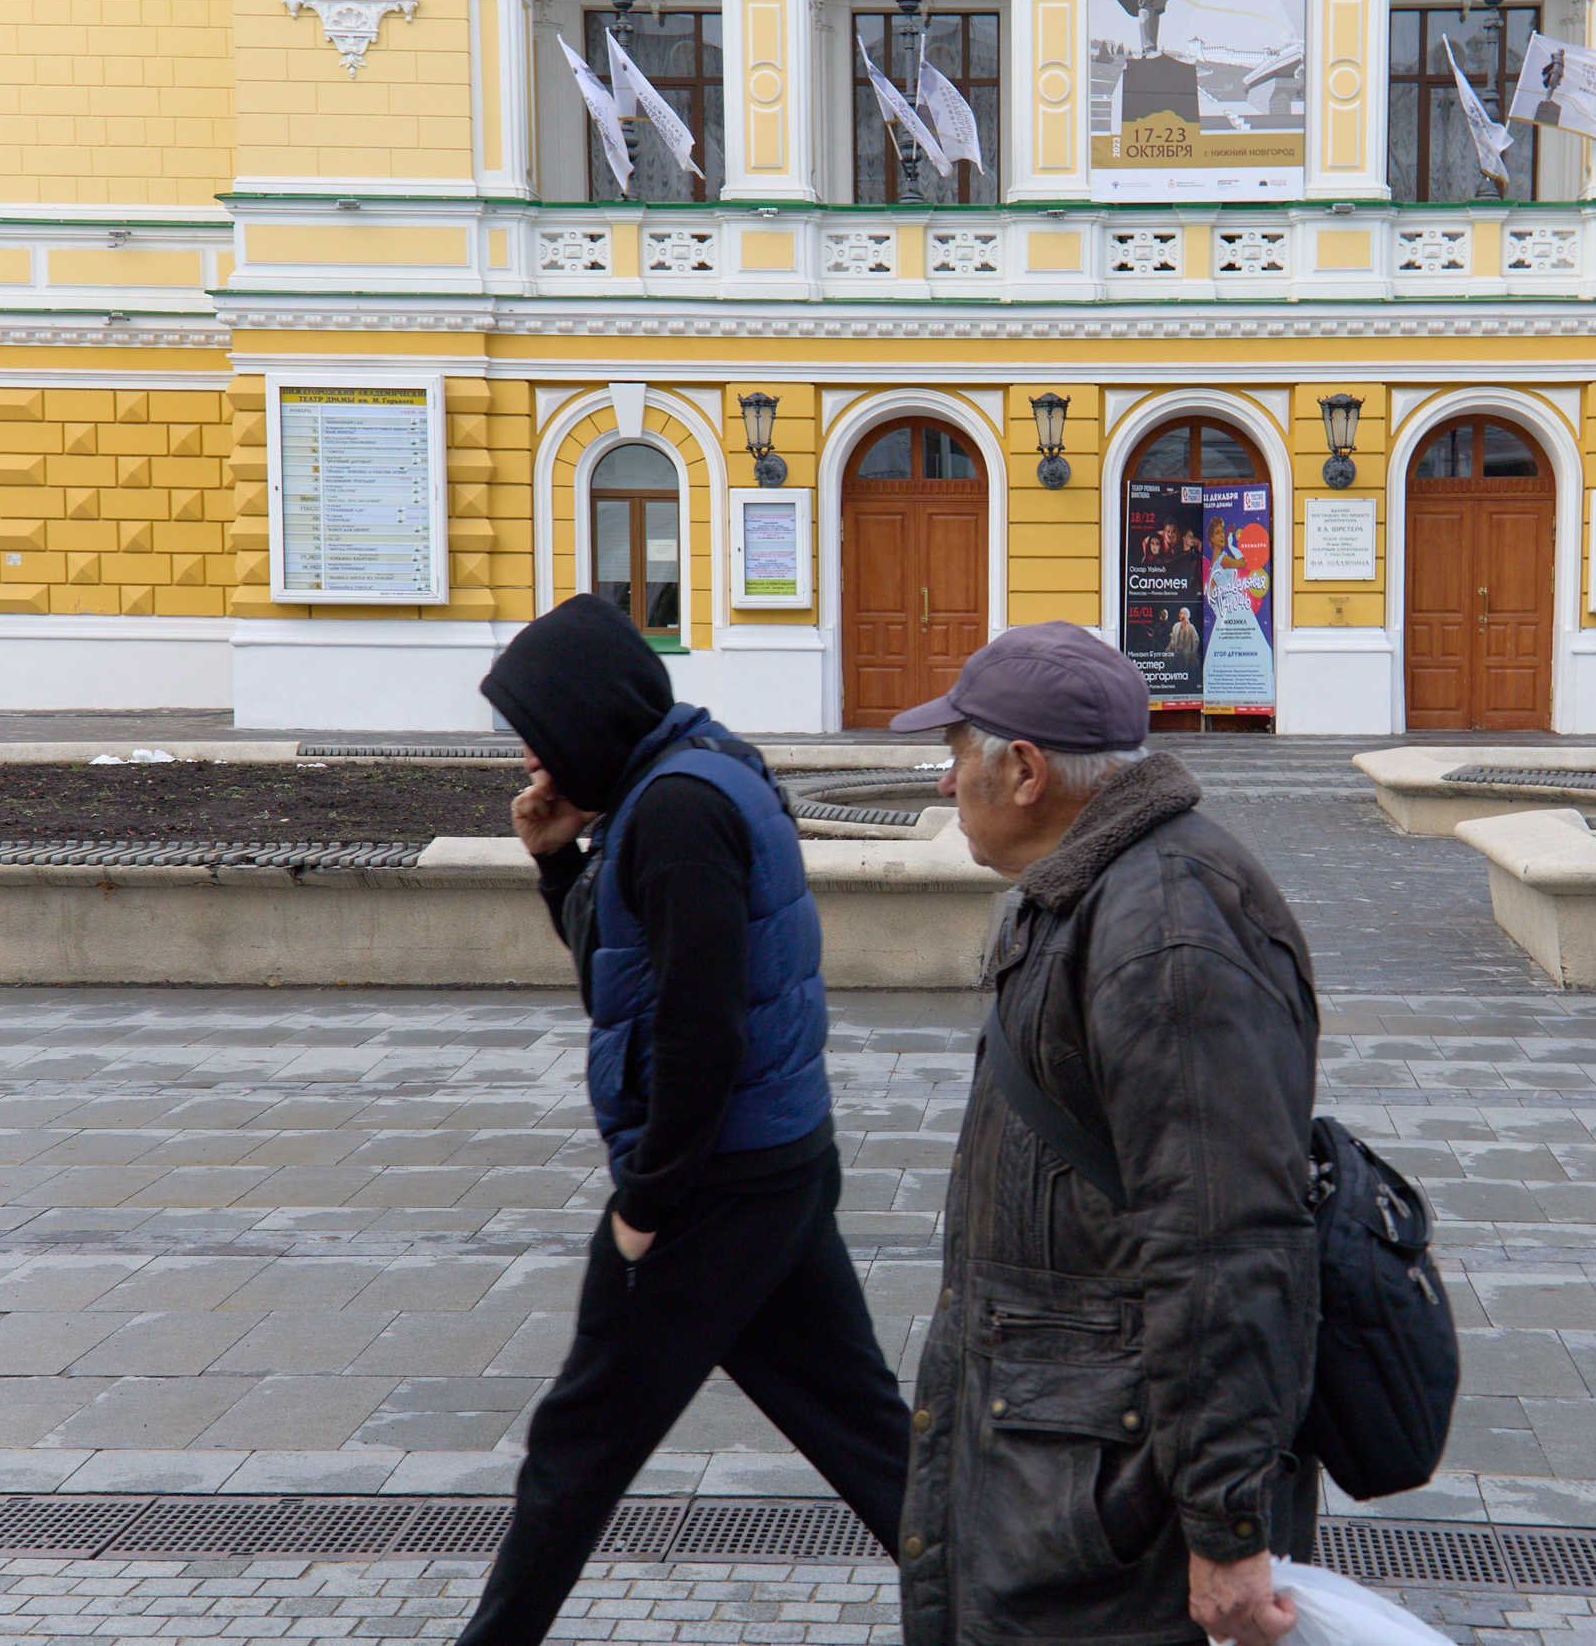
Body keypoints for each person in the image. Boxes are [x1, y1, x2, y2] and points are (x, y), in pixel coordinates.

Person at [453, 595, 911, 1646]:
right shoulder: (705, 769)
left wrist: (646, 1207)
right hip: (777, 1160)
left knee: (576, 1449)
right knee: (870, 1439)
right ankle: (1013, 1609)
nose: (526, 754)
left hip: (713, 1187)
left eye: (536, 727)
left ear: (586, 715)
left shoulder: (672, 814)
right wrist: (558, 862)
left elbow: (700, 1030)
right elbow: (632, 977)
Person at [887, 621, 1321, 1646]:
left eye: (955, 754)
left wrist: (1225, 1524)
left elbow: (1224, 1235)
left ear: (1024, 771)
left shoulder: (1165, 927)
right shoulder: (1090, 891)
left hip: (1107, 1509)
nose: (946, 782)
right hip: (1062, 1464)